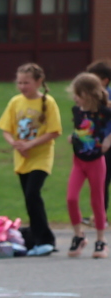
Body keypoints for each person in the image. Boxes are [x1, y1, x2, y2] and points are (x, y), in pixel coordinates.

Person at [0, 62, 62, 255]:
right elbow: (6, 130)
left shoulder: (48, 103)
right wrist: (15, 143)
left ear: (39, 82)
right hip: (22, 158)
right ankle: (35, 238)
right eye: (19, 83)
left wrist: (30, 145)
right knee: (28, 198)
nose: (22, 87)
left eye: (27, 82)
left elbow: (54, 131)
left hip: (40, 157)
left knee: (33, 194)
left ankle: (45, 239)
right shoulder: (15, 102)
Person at [64, 72, 111, 258]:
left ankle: (101, 240)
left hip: (96, 162)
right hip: (79, 161)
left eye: (78, 93)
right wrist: (73, 138)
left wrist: (109, 138)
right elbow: (81, 129)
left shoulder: (104, 111)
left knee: (97, 201)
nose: (75, 97)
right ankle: (79, 236)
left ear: (90, 94)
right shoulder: (77, 111)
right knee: (71, 198)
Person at [85, 59, 111, 220]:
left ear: (104, 80)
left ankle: (99, 217)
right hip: (98, 143)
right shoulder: (93, 98)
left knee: (103, 179)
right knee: (100, 181)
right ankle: (99, 216)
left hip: (108, 143)